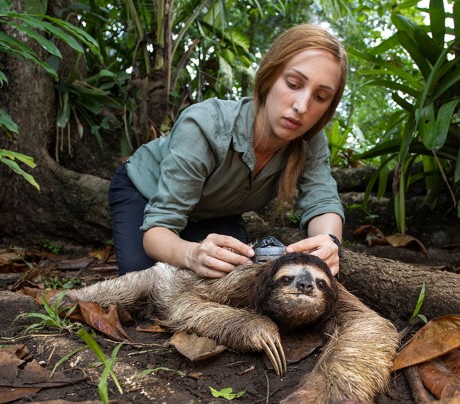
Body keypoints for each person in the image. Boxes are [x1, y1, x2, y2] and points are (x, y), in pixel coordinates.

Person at [109, 24, 347, 278]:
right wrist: (191, 254)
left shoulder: (310, 140)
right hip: (145, 191)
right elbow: (159, 228)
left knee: (238, 275)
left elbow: (322, 202)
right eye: (293, 83)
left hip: (214, 211)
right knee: (144, 275)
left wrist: (329, 244)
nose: (302, 106)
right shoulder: (205, 125)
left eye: (321, 97)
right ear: (269, 77)